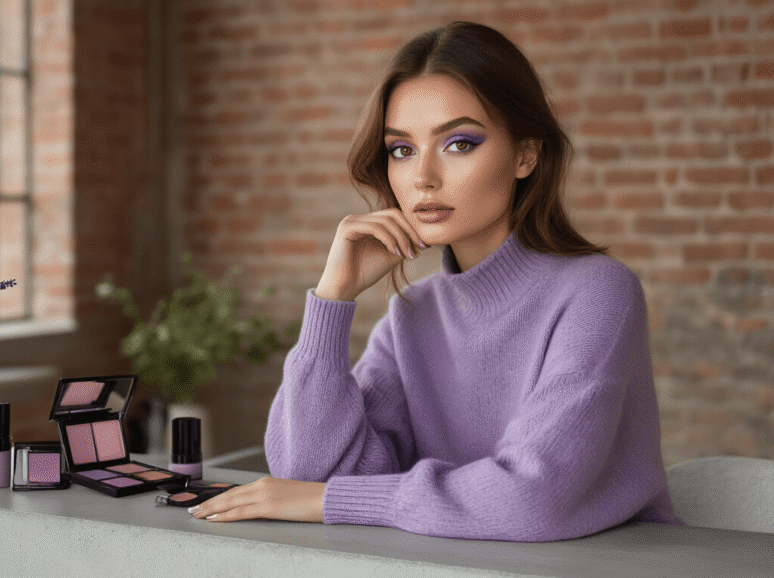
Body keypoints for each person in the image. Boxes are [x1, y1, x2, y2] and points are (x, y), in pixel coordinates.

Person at [189, 20, 684, 541]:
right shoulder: (412, 313)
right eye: (402, 150)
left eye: (459, 143)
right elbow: (305, 473)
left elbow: (533, 500)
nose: (422, 177)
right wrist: (332, 300)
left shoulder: (597, 292)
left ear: (525, 155)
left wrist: (332, 500)